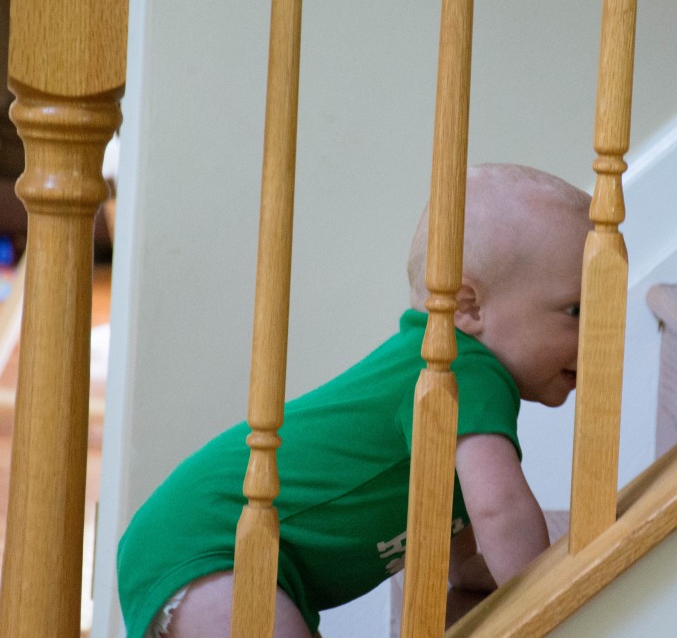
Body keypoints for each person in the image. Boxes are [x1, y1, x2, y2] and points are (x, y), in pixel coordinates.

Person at [117, 163, 593, 638]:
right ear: (468, 306)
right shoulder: (458, 367)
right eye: (576, 310)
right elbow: (500, 506)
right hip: (212, 542)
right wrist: (551, 596)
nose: (598, 331)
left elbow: (457, 496)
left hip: (198, 538)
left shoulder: (445, 370)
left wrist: (466, 565)